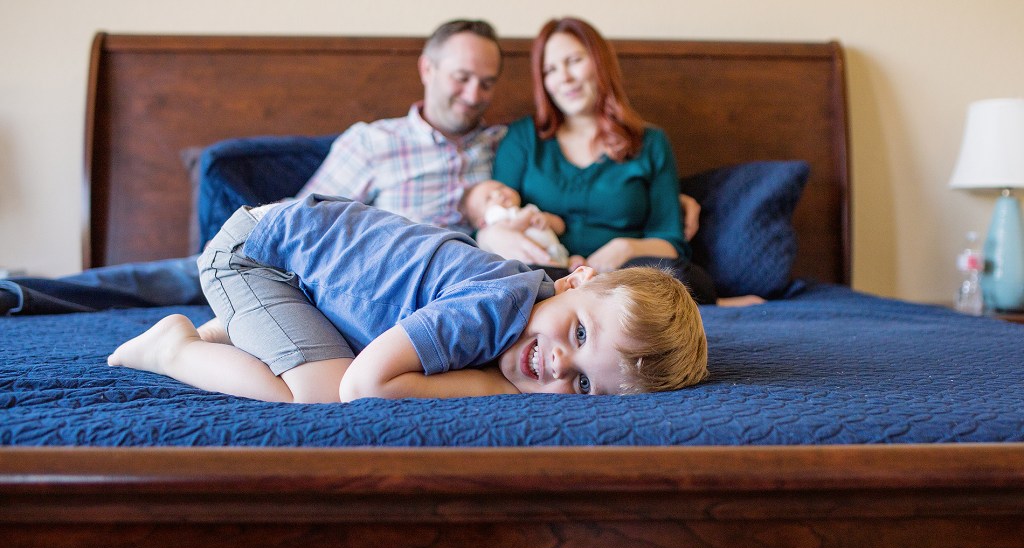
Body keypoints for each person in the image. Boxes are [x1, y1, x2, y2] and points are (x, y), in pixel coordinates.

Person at [1, 18, 552, 316]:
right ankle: (23, 294)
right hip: (361, 266)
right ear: (427, 69)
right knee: (180, 275)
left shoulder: (506, 146)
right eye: (461, 77)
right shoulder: (374, 141)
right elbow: (303, 214)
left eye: (486, 83)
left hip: (446, 284)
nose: (474, 95)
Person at [108, 195, 708, 402]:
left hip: (308, 270)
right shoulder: (495, 307)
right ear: (574, 279)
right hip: (259, 253)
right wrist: (491, 388)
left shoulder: (525, 305)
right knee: (318, 394)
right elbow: (363, 387)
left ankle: (236, 328)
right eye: (578, 334)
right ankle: (174, 347)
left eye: (582, 385)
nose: (556, 364)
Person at [477, 17, 743, 305]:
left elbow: (671, 243)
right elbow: (494, 212)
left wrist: (625, 248)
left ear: (600, 63)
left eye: (574, 61)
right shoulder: (522, 138)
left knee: (686, 278)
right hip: (547, 272)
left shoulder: (651, 143)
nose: (564, 77)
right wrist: (491, 236)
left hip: (625, 278)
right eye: (550, 70)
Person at [461, 179, 570, 267]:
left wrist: (548, 219)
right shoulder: (498, 226)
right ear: (483, 223)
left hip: (559, 254)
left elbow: (561, 228)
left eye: (501, 187)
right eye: (488, 198)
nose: (498, 193)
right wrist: (527, 216)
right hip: (532, 267)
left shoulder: (529, 209)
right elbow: (511, 228)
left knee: (574, 262)